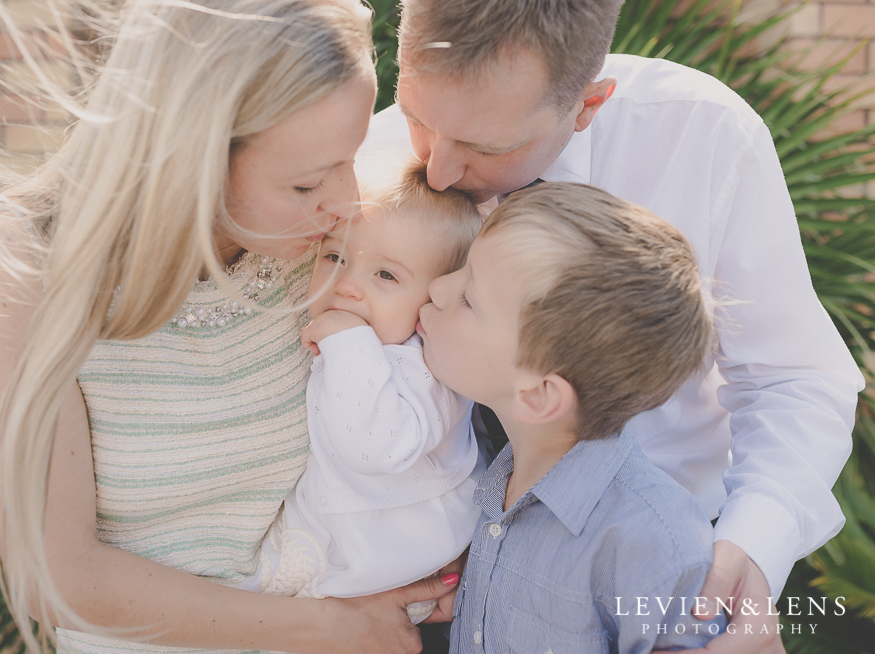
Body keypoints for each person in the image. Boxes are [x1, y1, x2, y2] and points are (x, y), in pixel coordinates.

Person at [0, 1, 460, 652]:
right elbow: (51, 571)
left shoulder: (327, 247)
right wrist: (328, 629)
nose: (346, 202)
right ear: (192, 158)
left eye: (352, 156)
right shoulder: (25, 267)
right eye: (308, 183)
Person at [364, 1, 864, 650]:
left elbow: (791, 378)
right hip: (426, 588)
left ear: (587, 106)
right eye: (416, 117)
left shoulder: (702, 135)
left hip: (662, 570)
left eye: (487, 147)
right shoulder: (369, 160)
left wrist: (748, 554)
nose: (435, 170)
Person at [419, 182, 729, 652]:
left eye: (469, 299)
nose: (439, 288)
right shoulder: (491, 477)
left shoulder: (652, 543)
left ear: (540, 395)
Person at [240, 158, 484, 622]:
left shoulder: (426, 367)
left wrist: (344, 338)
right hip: (341, 548)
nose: (345, 285)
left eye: (386, 276)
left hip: (382, 563)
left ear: (435, 300)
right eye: (334, 257)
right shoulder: (375, 339)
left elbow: (373, 447)